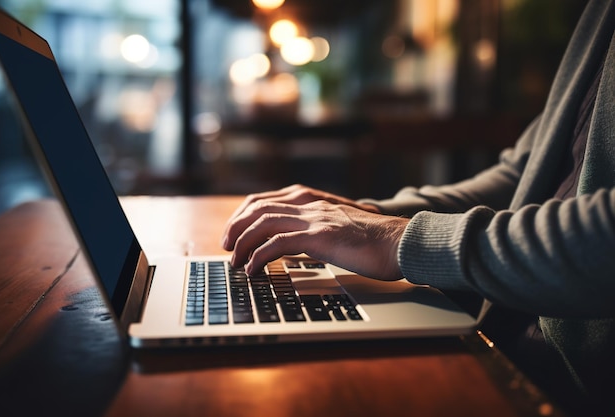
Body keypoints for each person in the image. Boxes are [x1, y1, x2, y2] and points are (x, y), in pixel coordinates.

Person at [221, 0, 615, 413]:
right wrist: (368, 216)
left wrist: (400, 239)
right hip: (498, 326)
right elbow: (522, 175)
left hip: (572, 387)